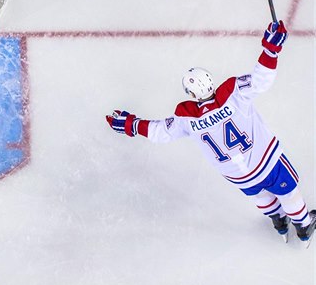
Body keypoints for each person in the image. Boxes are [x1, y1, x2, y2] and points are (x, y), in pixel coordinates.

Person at [105, 21, 316, 245]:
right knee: (289, 193)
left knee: (260, 194)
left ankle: (279, 221)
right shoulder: (231, 92)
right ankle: (303, 225)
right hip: (266, 161)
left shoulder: (187, 116)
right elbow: (261, 80)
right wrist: (270, 50)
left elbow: (160, 132)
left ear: (191, 94)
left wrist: (133, 125)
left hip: (237, 174)